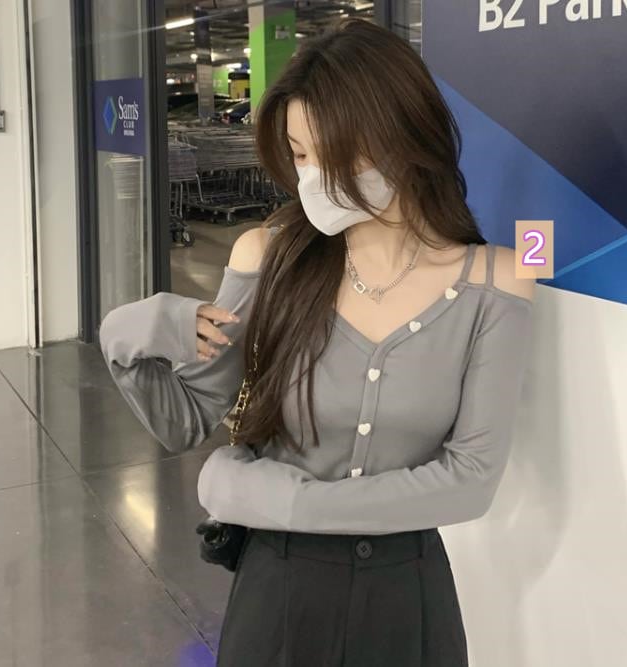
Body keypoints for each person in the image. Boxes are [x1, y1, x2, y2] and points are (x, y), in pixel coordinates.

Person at [99, 17, 536, 667]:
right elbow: (185, 420)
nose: (311, 176)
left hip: (407, 599)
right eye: (299, 154)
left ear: (403, 136)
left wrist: (275, 497)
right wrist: (128, 331)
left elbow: (470, 481)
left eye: (331, 152)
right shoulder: (269, 258)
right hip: (278, 592)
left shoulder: (496, 281)